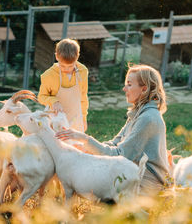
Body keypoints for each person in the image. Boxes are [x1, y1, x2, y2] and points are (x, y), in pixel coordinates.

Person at [56, 64, 171, 196]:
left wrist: (85, 139)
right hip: (133, 173)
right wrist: (86, 148)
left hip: (148, 183)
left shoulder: (148, 118)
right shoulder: (137, 114)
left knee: (92, 183)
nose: (124, 88)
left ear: (144, 89)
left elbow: (119, 155)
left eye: (129, 84)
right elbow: (114, 143)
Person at [38, 38, 89, 132]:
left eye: (70, 66)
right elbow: (41, 97)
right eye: (62, 66)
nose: (67, 69)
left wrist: (83, 118)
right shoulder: (48, 75)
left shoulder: (83, 71)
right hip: (55, 120)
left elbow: (83, 97)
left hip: (76, 118)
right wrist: (54, 101)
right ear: (56, 57)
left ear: (77, 57)